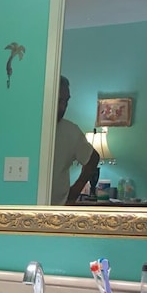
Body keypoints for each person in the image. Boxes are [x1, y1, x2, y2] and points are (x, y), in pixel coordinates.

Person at [51, 76, 100, 205]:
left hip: (57, 210)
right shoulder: (26, 128)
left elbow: (93, 158)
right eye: (59, 100)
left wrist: (75, 190)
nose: (63, 108)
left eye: (66, 102)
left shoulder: (70, 131)